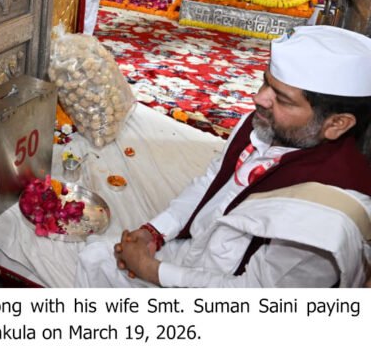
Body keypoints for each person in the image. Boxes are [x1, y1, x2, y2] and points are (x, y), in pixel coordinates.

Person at [76, 25, 371, 287]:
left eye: (281, 98)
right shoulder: (267, 124)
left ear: (337, 124)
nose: (259, 98)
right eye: (266, 82)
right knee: (95, 258)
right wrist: (156, 231)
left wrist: (153, 271)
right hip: (193, 253)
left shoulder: (327, 217)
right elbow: (212, 180)